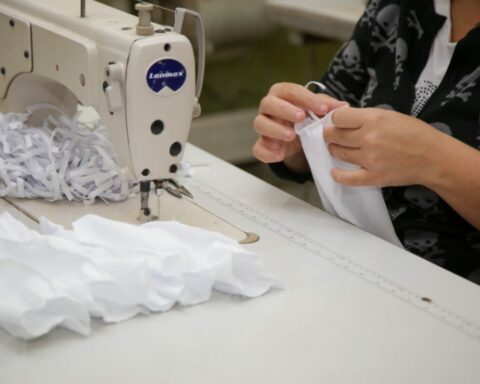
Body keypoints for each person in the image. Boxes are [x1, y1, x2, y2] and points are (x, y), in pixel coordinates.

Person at [252, 0, 480, 284]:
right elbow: (333, 103)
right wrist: (298, 137)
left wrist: (432, 157)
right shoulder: (394, 9)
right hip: (358, 264)